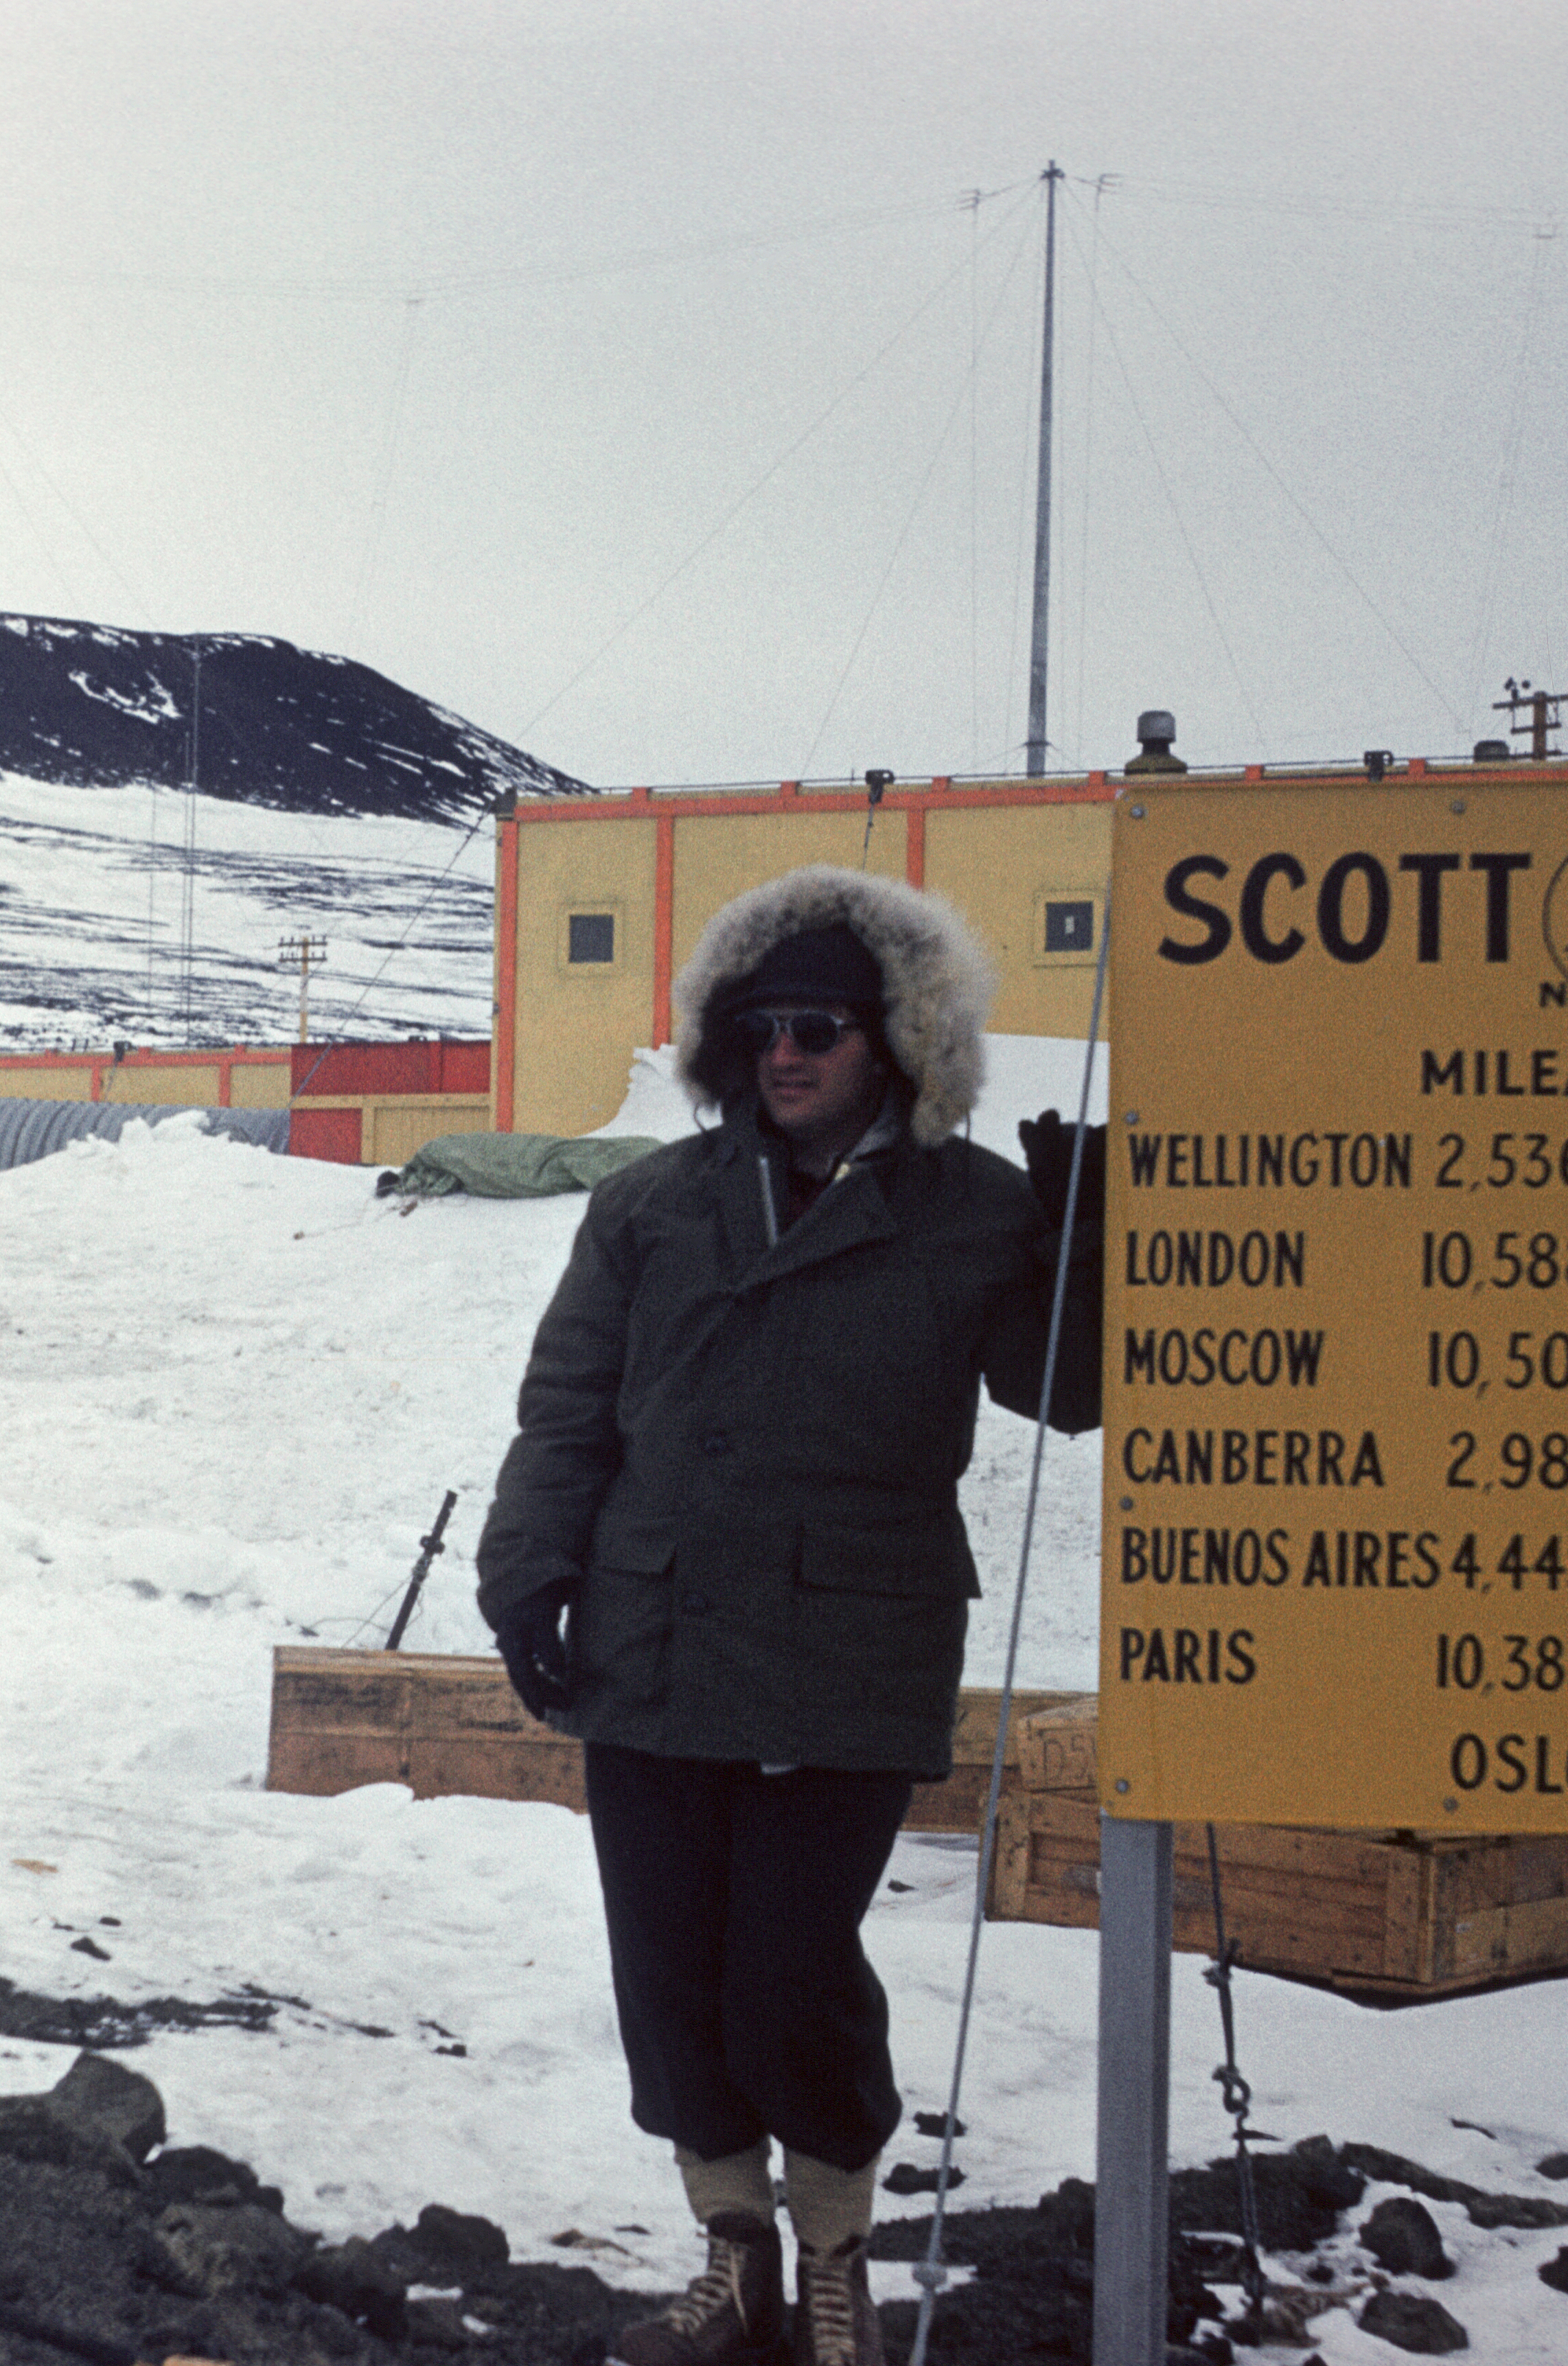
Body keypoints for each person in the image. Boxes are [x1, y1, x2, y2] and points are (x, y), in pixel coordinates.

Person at [475, 864, 1101, 2366]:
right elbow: (567, 1414)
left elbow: (1065, 1392)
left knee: (789, 1974)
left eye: (819, 1024)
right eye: (760, 1026)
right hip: (658, 1639)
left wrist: (1097, 1242)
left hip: (845, 1647)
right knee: (671, 1976)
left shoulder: (975, 1211)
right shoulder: (649, 1205)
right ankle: (730, 2257)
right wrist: (527, 1575)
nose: (786, 1053)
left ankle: (834, 2261)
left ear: (893, 1036)